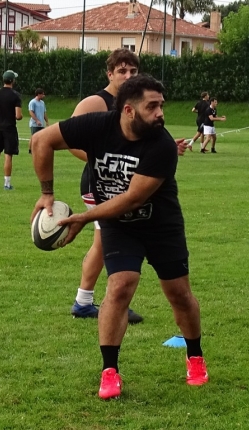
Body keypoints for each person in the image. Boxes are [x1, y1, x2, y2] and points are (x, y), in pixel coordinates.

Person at [30, 74, 208, 400]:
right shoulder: (97, 125)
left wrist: (84, 217)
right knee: (120, 284)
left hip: (160, 225)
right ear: (128, 110)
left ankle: (195, 355)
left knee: (179, 294)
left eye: (161, 106)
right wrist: (47, 194)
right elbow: (41, 140)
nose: (160, 114)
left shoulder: (162, 146)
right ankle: (109, 371)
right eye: (151, 106)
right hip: (119, 226)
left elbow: (133, 198)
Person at [68, 49, 143, 324]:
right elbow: (70, 141)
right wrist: (103, 160)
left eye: (133, 72)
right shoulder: (96, 102)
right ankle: (105, 302)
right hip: (97, 184)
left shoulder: (134, 103)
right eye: (122, 71)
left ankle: (85, 301)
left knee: (104, 241)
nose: (127, 76)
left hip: (122, 185)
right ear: (109, 74)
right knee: (110, 239)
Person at [0, 70, 22, 190]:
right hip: (9, 128)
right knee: (8, 155)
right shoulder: (15, 95)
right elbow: (18, 115)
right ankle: (7, 183)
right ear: (12, 80)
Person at [28, 88, 49, 154]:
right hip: (34, 124)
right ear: (38, 94)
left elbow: (44, 113)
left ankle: (39, 149)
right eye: (42, 94)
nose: (43, 95)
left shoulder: (42, 103)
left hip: (41, 124)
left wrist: (47, 121)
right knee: (33, 136)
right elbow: (31, 112)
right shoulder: (33, 102)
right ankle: (31, 150)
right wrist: (37, 120)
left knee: (41, 137)